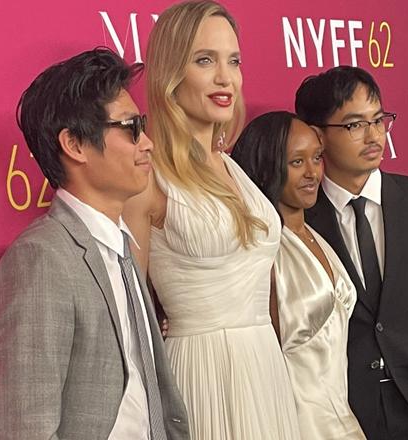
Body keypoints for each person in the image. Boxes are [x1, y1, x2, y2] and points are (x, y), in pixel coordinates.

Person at [0, 48, 189, 440]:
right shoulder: (42, 258)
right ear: (75, 145)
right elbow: (25, 428)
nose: (147, 143)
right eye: (131, 128)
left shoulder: (121, 247)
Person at [124, 2, 300, 439]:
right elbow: (128, 315)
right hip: (200, 373)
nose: (227, 78)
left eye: (234, 61)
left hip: (266, 368)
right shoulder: (147, 177)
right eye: (206, 60)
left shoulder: (232, 167)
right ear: (170, 73)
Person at [295, 66, 408, 440]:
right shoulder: (301, 221)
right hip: (348, 416)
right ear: (318, 135)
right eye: (355, 125)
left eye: (379, 120)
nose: (374, 134)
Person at [232, 111, 367, 440]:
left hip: (343, 419)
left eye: (317, 158)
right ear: (267, 167)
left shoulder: (316, 235)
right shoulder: (262, 252)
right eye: (296, 162)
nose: (313, 173)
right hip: (294, 424)